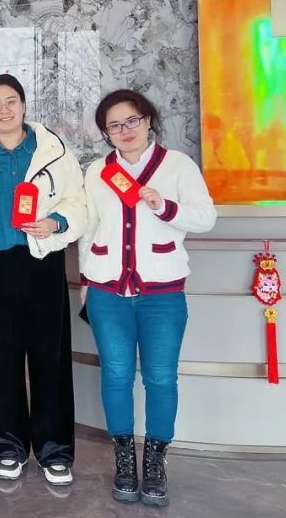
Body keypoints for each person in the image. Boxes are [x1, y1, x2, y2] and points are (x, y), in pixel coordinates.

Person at [81, 89, 217, 508]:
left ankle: (155, 461)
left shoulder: (177, 165)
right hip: (108, 292)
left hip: (162, 293)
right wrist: (87, 279)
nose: (125, 131)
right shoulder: (97, 171)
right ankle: (124, 460)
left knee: (160, 377)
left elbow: (206, 217)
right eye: (114, 125)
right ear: (106, 133)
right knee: (116, 375)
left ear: (148, 121)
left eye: (132, 121)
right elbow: (90, 228)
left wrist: (165, 206)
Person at [0, 74, 87, 486]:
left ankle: (55, 451)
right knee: (0, 360)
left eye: (11, 101)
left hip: (43, 260)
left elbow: (78, 202)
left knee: (50, 358)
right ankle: (8, 447)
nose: (4, 109)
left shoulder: (54, 149)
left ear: (23, 105)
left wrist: (56, 221)